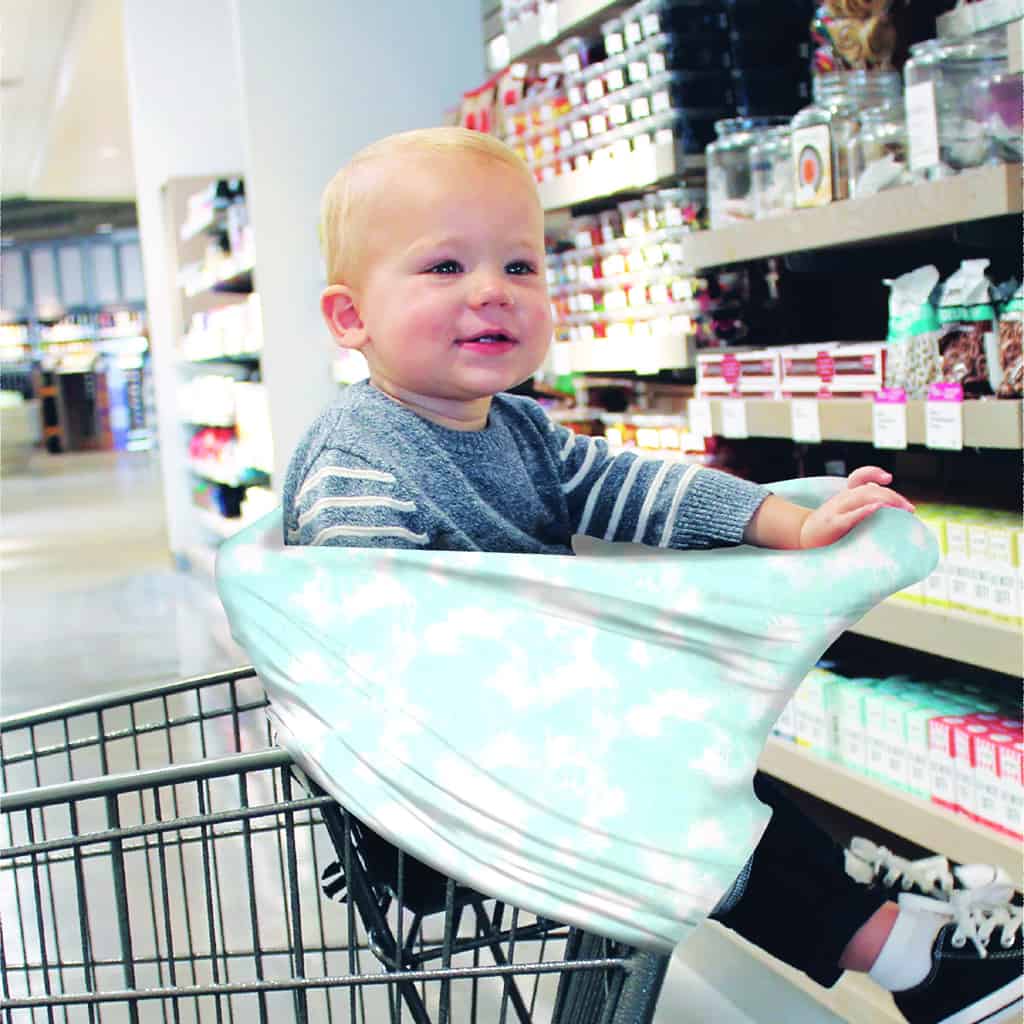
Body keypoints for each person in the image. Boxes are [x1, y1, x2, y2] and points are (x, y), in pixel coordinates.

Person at [283, 126, 1022, 1024]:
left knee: (707, 772)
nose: (491, 292)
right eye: (444, 268)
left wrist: (784, 521)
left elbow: (627, 485)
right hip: (441, 780)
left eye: (520, 267)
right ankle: (905, 953)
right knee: (681, 808)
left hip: (529, 744)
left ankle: (901, 927)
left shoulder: (515, 429)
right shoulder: (360, 458)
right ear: (350, 317)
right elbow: (358, 631)